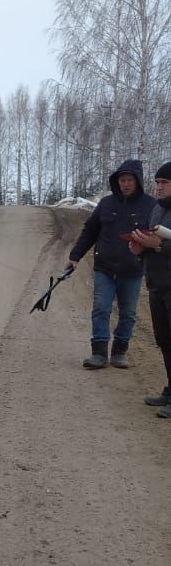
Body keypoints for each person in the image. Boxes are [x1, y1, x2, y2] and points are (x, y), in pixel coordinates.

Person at [66, 159, 153, 369]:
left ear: (138, 181)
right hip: (105, 268)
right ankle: (99, 353)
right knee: (100, 309)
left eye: (129, 180)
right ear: (117, 182)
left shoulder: (150, 206)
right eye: (122, 180)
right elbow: (90, 231)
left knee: (129, 313)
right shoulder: (106, 204)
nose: (125, 184)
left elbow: (157, 238)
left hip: (132, 270)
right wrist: (75, 256)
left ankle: (119, 352)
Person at [129, 161, 171, 418]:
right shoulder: (156, 210)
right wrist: (139, 248)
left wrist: (157, 246)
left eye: (164, 183)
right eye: (157, 183)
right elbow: (152, 242)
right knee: (165, 341)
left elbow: (161, 245)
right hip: (156, 285)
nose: (158, 187)